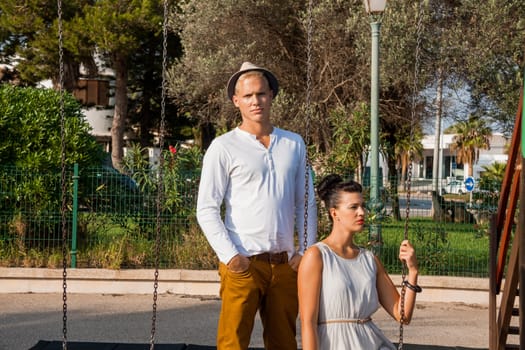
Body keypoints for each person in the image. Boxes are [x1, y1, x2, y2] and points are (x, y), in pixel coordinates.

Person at [196, 61, 317, 350]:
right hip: (243, 264)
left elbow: (306, 202)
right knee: (232, 344)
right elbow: (207, 208)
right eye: (248, 96)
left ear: (272, 94)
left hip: (285, 265)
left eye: (261, 93)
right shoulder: (223, 147)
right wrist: (231, 257)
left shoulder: (293, 144)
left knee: (284, 343)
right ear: (236, 101)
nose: (255, 101)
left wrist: (305, 252)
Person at [298, 174, 420, 350]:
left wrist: (413, 271)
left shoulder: (369, 259)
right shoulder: (316, 256)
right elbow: (308, 323)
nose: (362, 212)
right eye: (353, 207)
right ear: (335, 213)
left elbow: (403, 315)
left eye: (362, 206)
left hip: (370, 342)